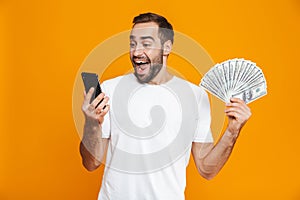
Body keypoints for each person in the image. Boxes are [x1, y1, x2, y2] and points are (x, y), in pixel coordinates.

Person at [80, 12, 251, 200]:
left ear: (166, 47)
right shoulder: (110, 90)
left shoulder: (196, 96)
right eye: (132, 44)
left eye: (146, 44)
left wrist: (233, 130)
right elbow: (91, 163)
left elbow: (206, 169)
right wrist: (91, 123)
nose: (136, 52)